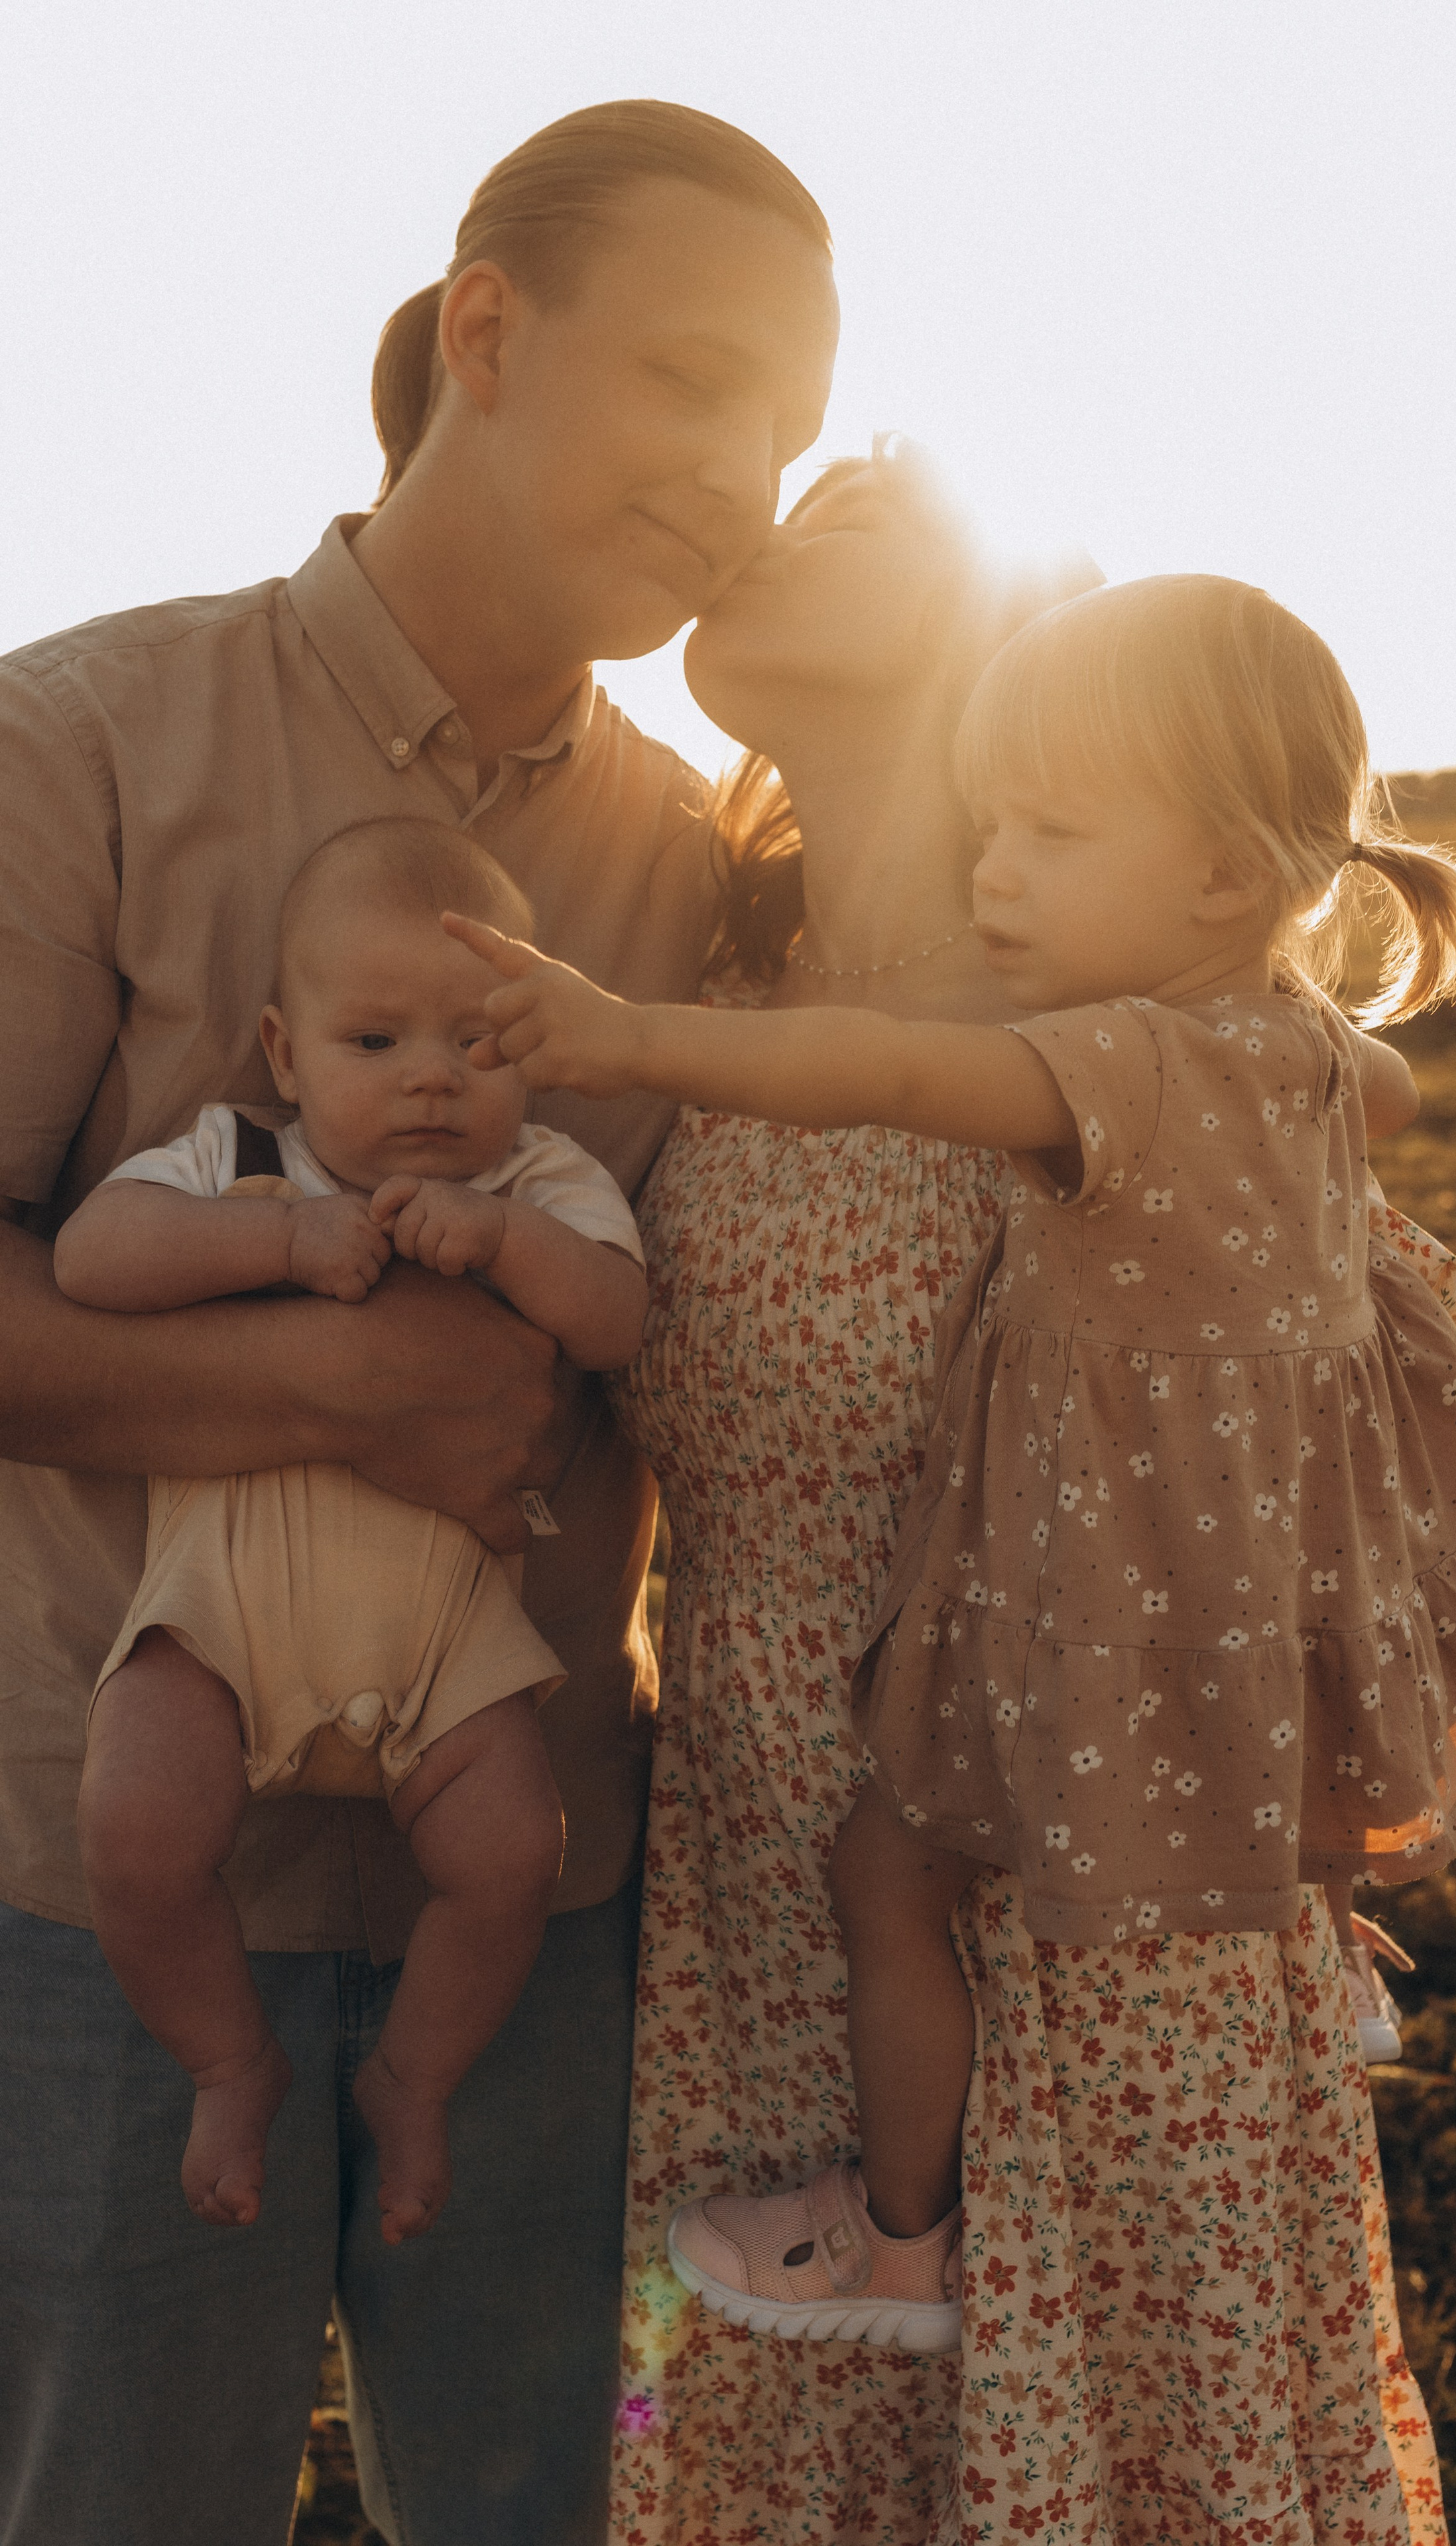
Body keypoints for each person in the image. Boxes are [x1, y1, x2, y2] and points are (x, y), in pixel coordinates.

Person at [0, 99, 837, 2546]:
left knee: (574, 2515)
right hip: (109, 1901)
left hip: (555, 1894)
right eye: (698, 382)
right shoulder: (76, 748)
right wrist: (333, 1377)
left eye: (787, 425)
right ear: (486, 333)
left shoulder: (696, 864)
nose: (745, 475)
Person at [493, 443, 1456, 2543]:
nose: (764, 519)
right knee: (775, 2452)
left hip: (1076, 1909)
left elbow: (1322, 1425)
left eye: (845, 515)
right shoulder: (720, 999)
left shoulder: (1158, 1055)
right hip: (764, 1886)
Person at [56, 821, 648, 2244]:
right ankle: (228, 2058)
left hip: (443, 1641)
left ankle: (412, 2080)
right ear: (284, 1050)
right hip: (225, 1620)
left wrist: (505, 1247)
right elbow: (89, 1260)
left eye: (478, 1042)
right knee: (134, 1831)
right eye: (374, 1041)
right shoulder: (236, 1158)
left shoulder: (538, 1186)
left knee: (513, 1853)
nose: (433, 1076)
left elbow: (621, 1320)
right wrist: (275, 1242)